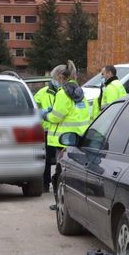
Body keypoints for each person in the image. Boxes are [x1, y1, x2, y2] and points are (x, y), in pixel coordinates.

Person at [44, 60, 93, 193]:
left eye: (55, 78)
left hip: (63, 139)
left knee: (61, 173)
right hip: (78, 136)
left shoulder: (62, 93)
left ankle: (60, 200)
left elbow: (56, 116)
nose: (54, 81)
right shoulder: (78, 91)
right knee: (73, 173)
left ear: (60, 77)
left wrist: (46, 115)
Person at [34, 74, 61, 192]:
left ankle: (58, 185)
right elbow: (34, 110)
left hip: (60, 131)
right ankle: (45, 184)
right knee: (47, 160)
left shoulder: (64, 92)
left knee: (60, 160)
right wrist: (43, 114)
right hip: (46, 131)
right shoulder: (42, 93)